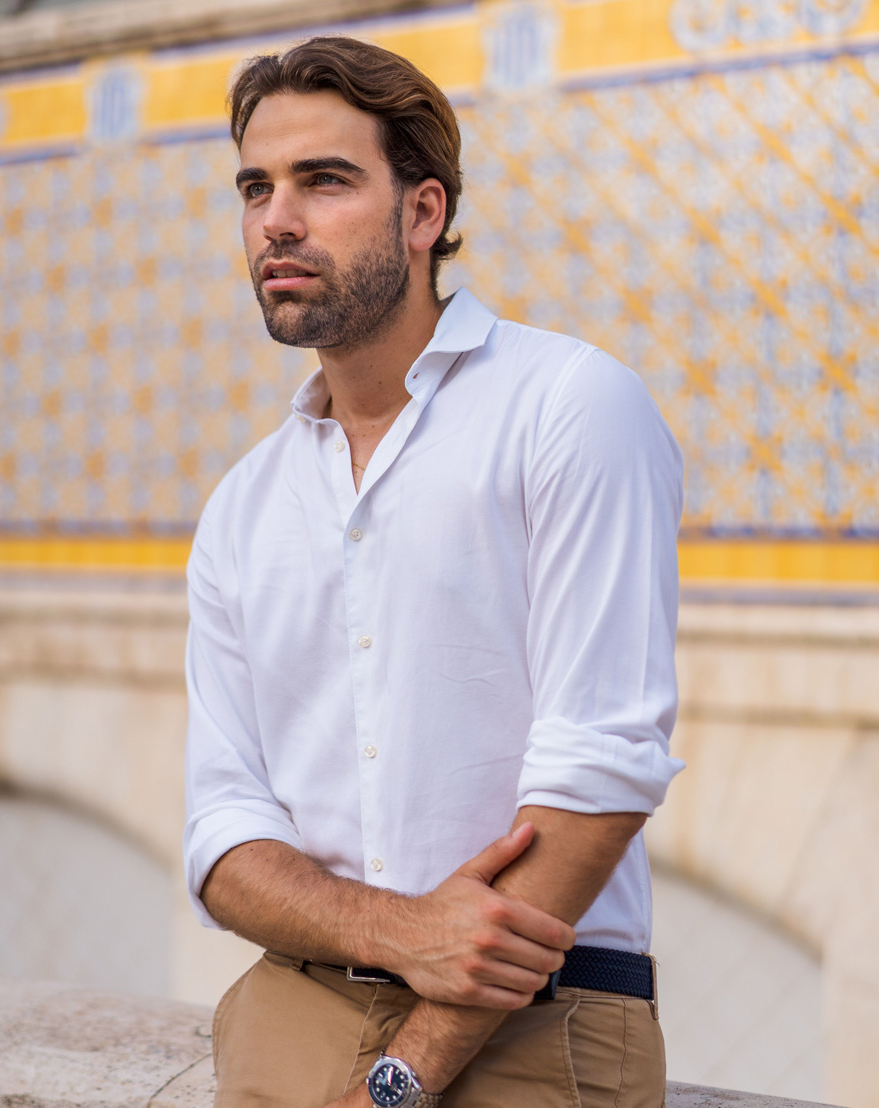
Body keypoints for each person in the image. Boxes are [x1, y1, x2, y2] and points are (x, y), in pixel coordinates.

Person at [183, 34, 684, 1108]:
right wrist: (396, 928)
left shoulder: (568, 407)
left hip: (538, 1026)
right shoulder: (242, 507)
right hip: (286, 1017)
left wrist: (403, 1074)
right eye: (255, 187)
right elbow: (222, 835)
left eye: (324, 181)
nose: (277, 219)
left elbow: (599, 767)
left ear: (422, 213)